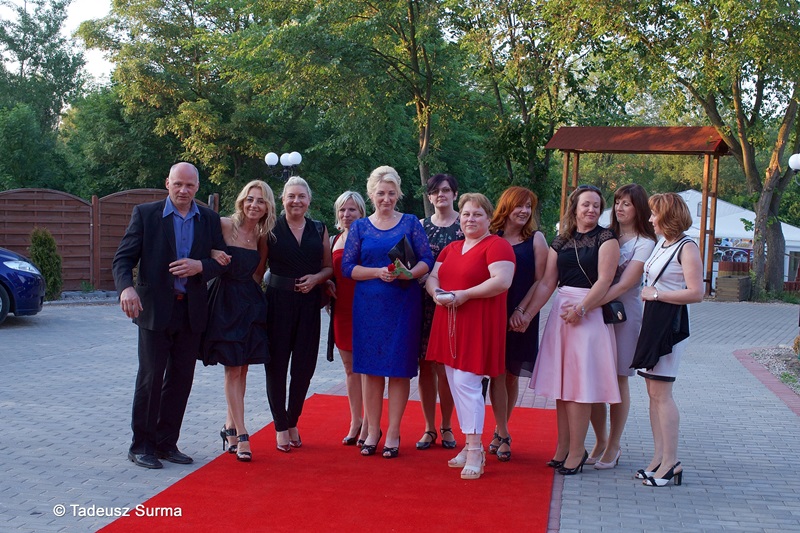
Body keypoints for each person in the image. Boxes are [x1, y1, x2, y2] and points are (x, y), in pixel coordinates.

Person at [113, 162, 229, 469]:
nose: (183, 190)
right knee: (150, 379)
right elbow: (122, 259)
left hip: (190, 312)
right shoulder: (146, 214)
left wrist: (200, 266)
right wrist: (126, 289)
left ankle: (166, 443)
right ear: (167, 183)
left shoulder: (208, 219)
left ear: (197, 187)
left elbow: (220, 261)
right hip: (153, 311)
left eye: (189, 185)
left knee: (180, 380)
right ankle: (141, 446)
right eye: (178, 184)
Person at [526, 185, 621, 475]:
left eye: (596, 205)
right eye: (586, 204)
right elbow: (547, 283)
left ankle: (578, 450)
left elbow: (605, 281)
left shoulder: (607, 239)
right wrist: (526, 314)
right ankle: (564, 446)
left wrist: (582, 309)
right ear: (574, 208)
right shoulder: (561, 240)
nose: (591, 209)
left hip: (588, 312)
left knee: (579, 386)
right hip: (562, 311)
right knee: (562, 385)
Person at [342, 165, 434, 459]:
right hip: (368, 306)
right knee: (370, 371)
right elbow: (347, 267)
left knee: (398, 370)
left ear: (398, 194)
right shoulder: (360, 227)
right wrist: (376, 272)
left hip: (403, 305)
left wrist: (409, 274)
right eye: (381, 193)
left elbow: (427, 259)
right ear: (371, 194)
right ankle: (372, 431)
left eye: (391, 193)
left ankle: (393, 432)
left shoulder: (410, 222)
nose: (386, 198)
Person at [425, 193, 515, 480]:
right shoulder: (451, 248)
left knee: (467, 383)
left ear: (489, 218)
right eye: (465, 214)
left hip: (478, 324)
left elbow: (502, 281)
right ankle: (469, 444)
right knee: (455, 383)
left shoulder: (497, 245)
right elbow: (432, 277)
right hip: (449, 322)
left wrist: (464, 295)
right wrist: (436, 294)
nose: (470, 219)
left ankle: (476, 450)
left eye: (477, 214)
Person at [201, 180, 276, 462]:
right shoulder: (223, 225)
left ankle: (230, 427)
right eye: (250, 199)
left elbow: (258, 273)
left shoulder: (262, 235)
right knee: (232, 368)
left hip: (249, 304)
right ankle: (243, 434)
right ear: (242, 201)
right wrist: (211, 253)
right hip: (223, 303)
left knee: (242, 369)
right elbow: (200, 249)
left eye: (261, 201)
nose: (254, 205)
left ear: (267, 207)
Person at [633, 193, 703, 487]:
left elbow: (696, 293)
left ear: (668, 216)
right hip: (653, 320)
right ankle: (658, 458)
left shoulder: (687, 247)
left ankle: (671, 462)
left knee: (662, 393)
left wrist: (657, 294)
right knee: (653, 393)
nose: (650, 219)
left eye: (654, 214)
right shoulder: (663, 243)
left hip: (670, 325)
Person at [587, 184, 656, 469]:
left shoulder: (645, 242)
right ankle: (600, 440)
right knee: (593, 377)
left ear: (639, 208)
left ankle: (614, 444)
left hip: (623, 314)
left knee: (617, 378)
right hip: (595, 308)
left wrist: (590, 303)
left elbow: (627, 283)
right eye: (617, 202)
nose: (620, 208)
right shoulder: (606, 234)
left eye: (626, 203)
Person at [265, 176, 333, 452]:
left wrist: (317, 279)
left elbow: (328, 267)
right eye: (291, 196)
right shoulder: (270, 227)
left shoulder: (319, 228)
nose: (296, 201)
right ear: (282, 199)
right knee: (277, 366)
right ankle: (281, 426)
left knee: (304, 368)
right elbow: (258, 269)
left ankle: (293, 419)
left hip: (309, 304)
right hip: (277, 303)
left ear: (309, 200)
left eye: (301, 196)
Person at [487, 186, 548, 462]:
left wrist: (523, 311)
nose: (524, 211)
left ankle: (501, 430)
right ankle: (503, 433)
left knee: (511, 374)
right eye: (519, 205)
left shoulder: (536, 239)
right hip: (493, 312)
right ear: (506, 207)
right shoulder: (491, 236)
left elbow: (541, 280)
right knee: (496, 373)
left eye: (528, 206)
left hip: (521, 316)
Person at [416, 173, 463, 452]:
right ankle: (428, 427)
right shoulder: (420, 226)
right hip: (423, 304)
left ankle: (446, 425)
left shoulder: (464, 225)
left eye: (446, 190)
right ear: (429, 196)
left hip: (456, 304)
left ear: (455, 194)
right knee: (425, 367)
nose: (440, 195)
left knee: (446, 368)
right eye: (435, 191)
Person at [328, 191, 369, 446]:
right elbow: (327, 270)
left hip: (366, 309)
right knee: (350, 368)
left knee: (367, 369)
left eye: (352, 209)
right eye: (342, 210)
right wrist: (326, 283)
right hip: (341, 310)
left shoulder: (369, 237)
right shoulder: (333, 240)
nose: (346, 214)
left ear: (361, 212)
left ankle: (370, 424)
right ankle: (356, 421)